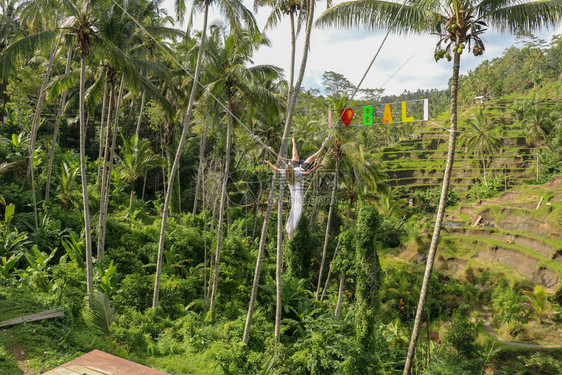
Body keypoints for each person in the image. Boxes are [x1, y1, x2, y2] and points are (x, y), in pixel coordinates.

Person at [265, 138, 323, 239]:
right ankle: (321, 149)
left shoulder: (285, 172)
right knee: (312, 157)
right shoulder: (297, 173)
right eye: (289, 165)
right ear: (291, 170)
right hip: (302, 170)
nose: (288, 164)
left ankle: (293, 142)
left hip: (297, 168)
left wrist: (269, 163)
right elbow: (309, 172)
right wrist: (317, 166)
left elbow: (276, 169)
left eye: (288, 165)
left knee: (294, 156)